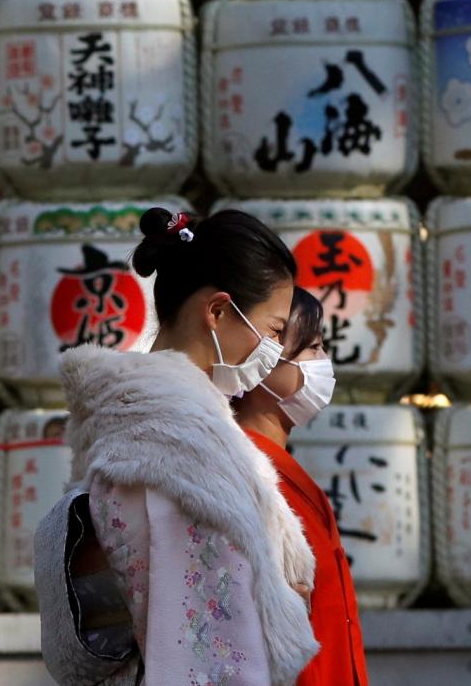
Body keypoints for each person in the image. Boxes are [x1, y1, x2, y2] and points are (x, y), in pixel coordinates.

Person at [35, 206, 319, 686]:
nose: (273, 351)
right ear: (218, 311)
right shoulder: (178, 449)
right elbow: (202, 655)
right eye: (272, 331)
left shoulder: (142, 427)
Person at [234, 287, 370, 686]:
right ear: (259, 362)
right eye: (309, 348)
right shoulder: (248, 475)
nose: (323, 363)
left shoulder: (282, 468)